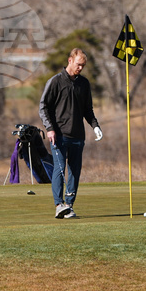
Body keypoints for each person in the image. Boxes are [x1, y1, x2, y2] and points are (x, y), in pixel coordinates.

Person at [38, 48, 102, 219]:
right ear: (70, 61)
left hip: (78, 136)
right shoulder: (56, 82)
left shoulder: (84, 84)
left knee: (75, 171)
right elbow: (43, 107)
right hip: (59, 135)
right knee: (59, 170)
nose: (80, 68)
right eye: (78, 64)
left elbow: (88, 110)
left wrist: (95, 126)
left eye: (83, 66)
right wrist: (49, 129)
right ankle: (58, 205)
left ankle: (69, 205)